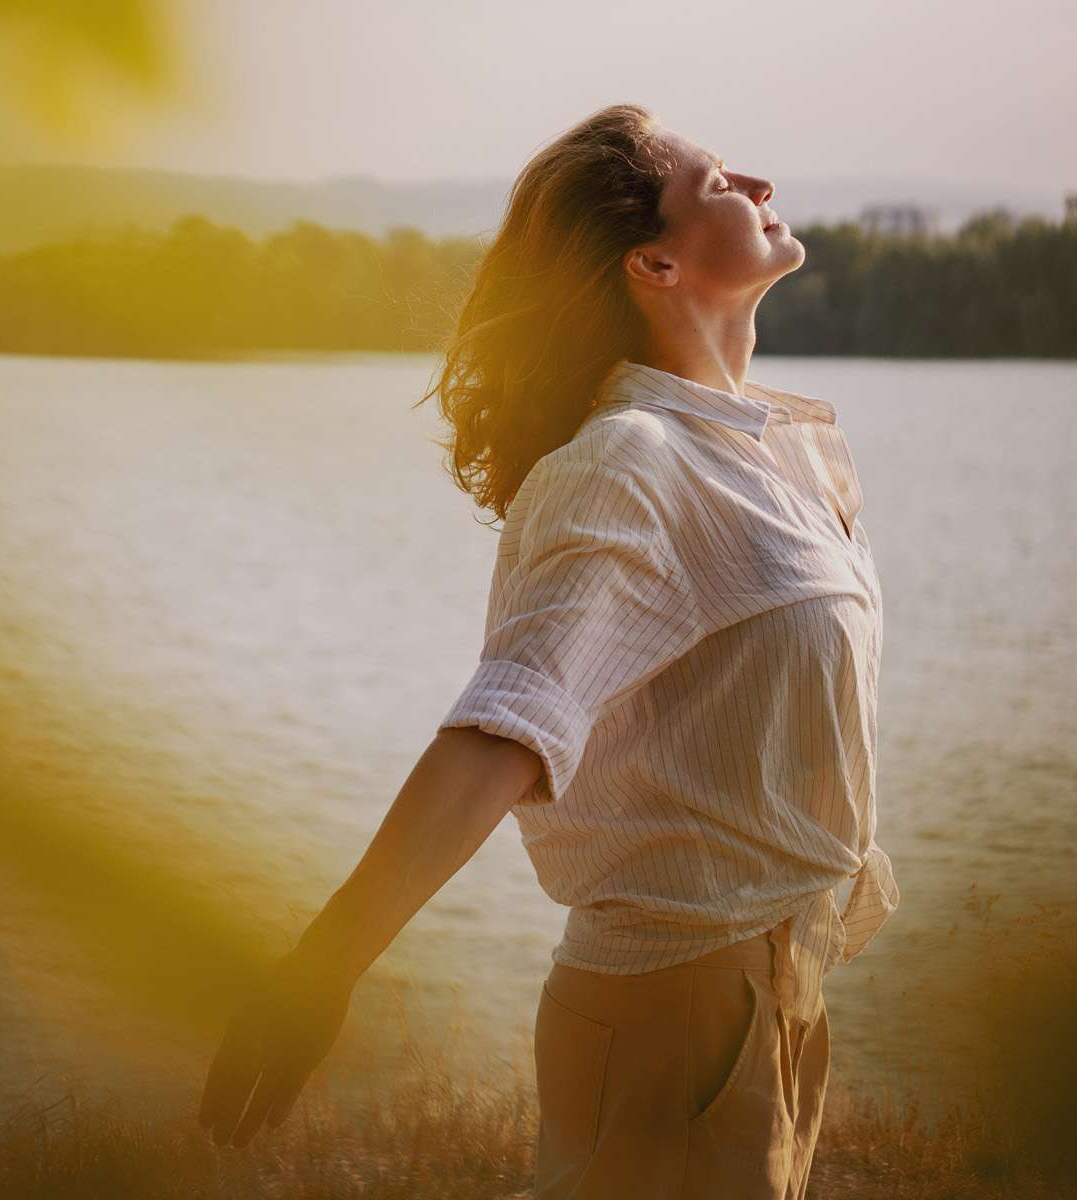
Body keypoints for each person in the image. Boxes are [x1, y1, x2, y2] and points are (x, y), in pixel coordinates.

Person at [197, 103, 898, 1200]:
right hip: (677, 1012)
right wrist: (323, 966)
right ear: (653, 261)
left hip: (776, 995)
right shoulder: (630, 461)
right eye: (716, 181)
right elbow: (508, 724)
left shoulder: (774, 455)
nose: (758, 182)